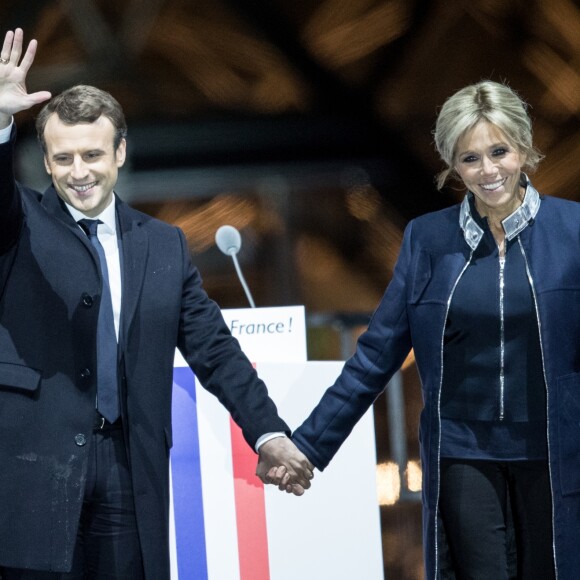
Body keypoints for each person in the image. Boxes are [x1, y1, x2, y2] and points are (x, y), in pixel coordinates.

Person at [0, 29, 312, 579]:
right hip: (34, 471)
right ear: (46, 164)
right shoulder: (18, 222)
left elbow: (214, 348)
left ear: (120, 152)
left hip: (130, 468)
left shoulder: (163, 244)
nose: (79, 172)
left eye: (93, 154)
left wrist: (267, 431)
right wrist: (0, 124)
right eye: (63, 158)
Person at [261, 79, 580, 579]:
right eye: (469, 158)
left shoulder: (574, 231)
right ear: (453, 164)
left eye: (499, 151)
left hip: (556, 449)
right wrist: (307, 445)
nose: (488, 170)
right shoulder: (426, 240)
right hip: (462, 453)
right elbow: (376, 355)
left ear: (523, 149)